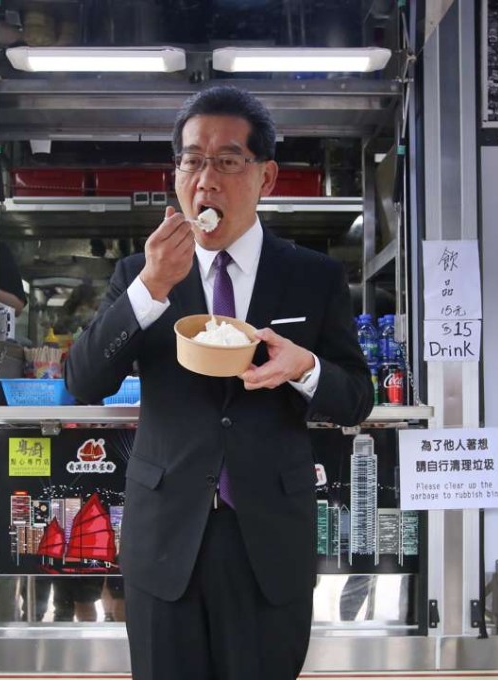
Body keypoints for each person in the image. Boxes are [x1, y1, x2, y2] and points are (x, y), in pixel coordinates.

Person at [65, 85, 373, 680]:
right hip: (165, 540)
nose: (205, 180)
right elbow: (84, 380)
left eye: (228, 161)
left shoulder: (313, 277)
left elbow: (357, 395)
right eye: (191, 160)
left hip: (268, 539)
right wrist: (151, 288)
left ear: (268, 176)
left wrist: (304, 369)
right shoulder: (141, 272)